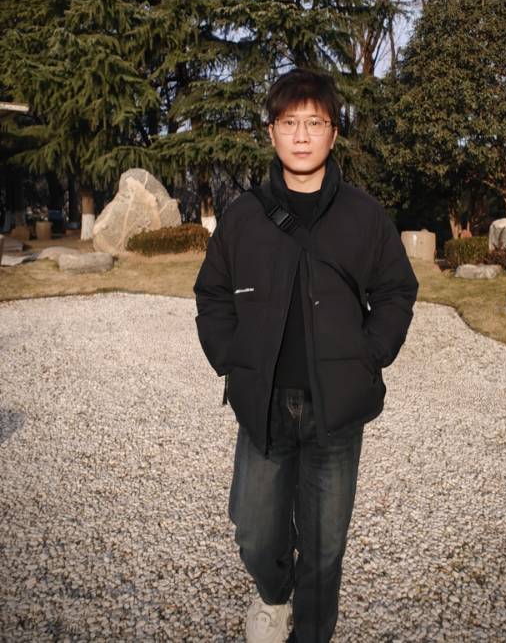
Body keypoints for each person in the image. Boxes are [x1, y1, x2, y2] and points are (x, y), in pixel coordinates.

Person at [194, 69, 418, 643]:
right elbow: (212, 294)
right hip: (264, 402)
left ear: (334, 133)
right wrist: (232, 359)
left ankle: (313, 631)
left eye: (314, 123)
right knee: (254, 532)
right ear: (270, 131)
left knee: (324, 543)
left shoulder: (364, 215)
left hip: (335, 406)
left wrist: (369, 356)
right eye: (289, 122)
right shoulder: (244, 215)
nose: (301, 135)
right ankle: (274, 594)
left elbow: (397, 290)